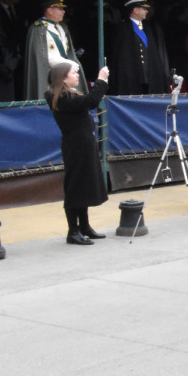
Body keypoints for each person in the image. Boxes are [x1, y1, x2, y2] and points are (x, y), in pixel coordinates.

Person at [47, 60, 111, 245]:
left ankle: (84, 226)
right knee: (75, 186)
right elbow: (91, 101)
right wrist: (101, 80)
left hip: (83, 143)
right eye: (73, 73)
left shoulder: (65, 94)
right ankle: (73, 231)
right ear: (63, 79)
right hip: (76, 145)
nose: (77, 76)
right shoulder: (60, 97)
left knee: (84, 184)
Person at [25, 0, 86, 101]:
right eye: (60, 9)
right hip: (50, 76)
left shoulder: (63, 27)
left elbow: (68, 52)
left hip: (67, 77)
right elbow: (42, 56)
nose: (64, 12)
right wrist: (67, 64)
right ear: (50, 10)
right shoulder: (38, 29)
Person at [110, 0, 170, 95]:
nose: (147, 11)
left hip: (149, 75)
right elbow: (121, 56)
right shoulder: (123, 28)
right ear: (135, 10)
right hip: (132, 75)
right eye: (144, 9)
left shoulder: (148, 28)